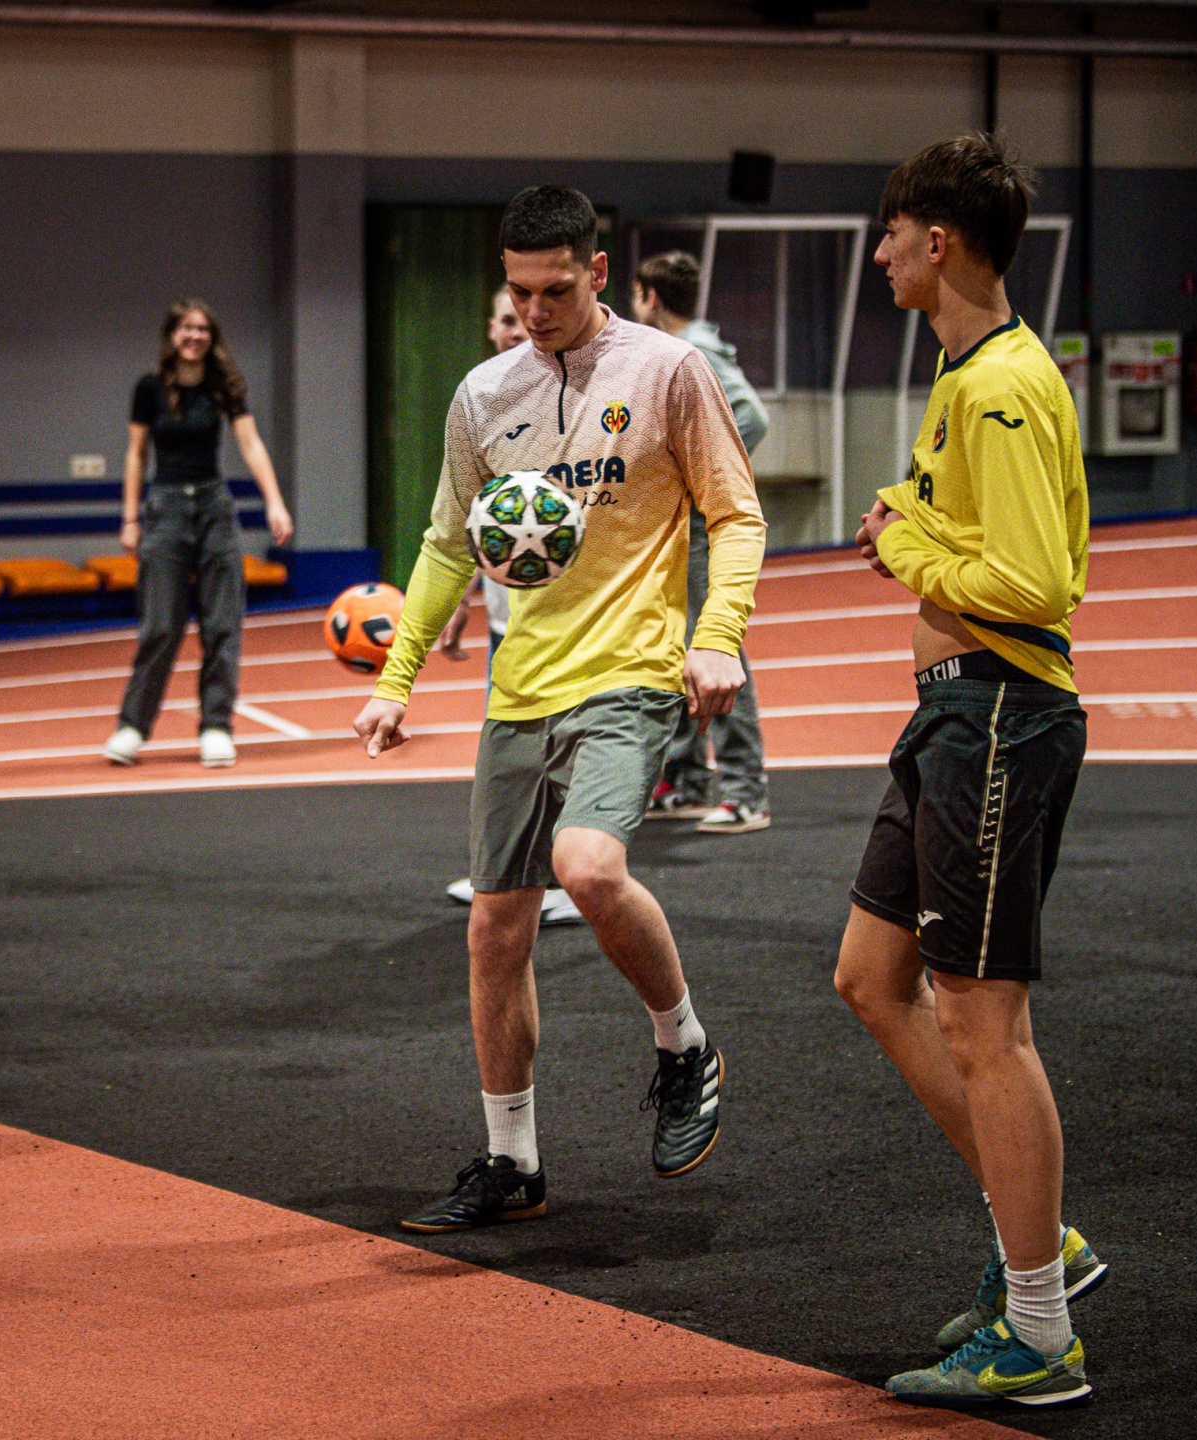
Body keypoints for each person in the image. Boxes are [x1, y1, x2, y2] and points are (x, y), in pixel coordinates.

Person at [354, 186, 767, 1233]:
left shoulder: (667, 372)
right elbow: (446, 543)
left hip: (630, 672)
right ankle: (512, 1162)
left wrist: (717, 635)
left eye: (555, 290)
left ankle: (684, 1044)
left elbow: (736, 513)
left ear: (597, 270)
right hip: (521, 686)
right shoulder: (483, 395)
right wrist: (398, 680)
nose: (534, 313)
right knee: (495, 930)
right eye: (519, 292)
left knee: (587, 867)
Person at [834, 134, 1106, 1409]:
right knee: (871, 977)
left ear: (937, 241)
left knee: (983, 1026)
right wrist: (918, 517)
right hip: (957, 714)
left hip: (998, 713)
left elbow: (1036, 585)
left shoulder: (997, 387)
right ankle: (1041, 1242)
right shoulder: (970, 374)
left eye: (891, 236)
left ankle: (1040, 1331)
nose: (879, 256)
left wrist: (908, 554)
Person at [441, 287, 580, 928]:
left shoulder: (572, 400)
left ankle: (561, 878)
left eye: (522, 314)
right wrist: (461, 596)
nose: (515, 325)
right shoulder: (485, 400)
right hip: (506, 617)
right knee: (518, 755)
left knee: (560, 749)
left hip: (566, 617)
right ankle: (516, 876)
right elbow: (480, 520)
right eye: (504, 315)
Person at [105, 300, 294, 769]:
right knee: (160, 626)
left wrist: (274, 501)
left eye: (204, 329)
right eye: (187, 328)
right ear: (172, 335)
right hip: (165, 509)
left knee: (222, 624)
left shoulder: (223, 385)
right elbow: (135, 454)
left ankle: (216, 726)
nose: (195, 336)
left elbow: (250, 443)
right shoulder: (149, 388)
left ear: (212, 337)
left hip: (214, 508)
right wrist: (130, 519)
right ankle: (132, 727)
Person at [629, 251, 773, 834]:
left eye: (635, 296)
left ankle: (745, 790)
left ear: (651, 297)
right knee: (675, 649)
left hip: (697, 531)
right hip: (674, 532)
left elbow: (753, 416)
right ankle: (688, 779)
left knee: (715, 650)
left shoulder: (696, 352)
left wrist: (705, 474)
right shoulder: (681, 350)